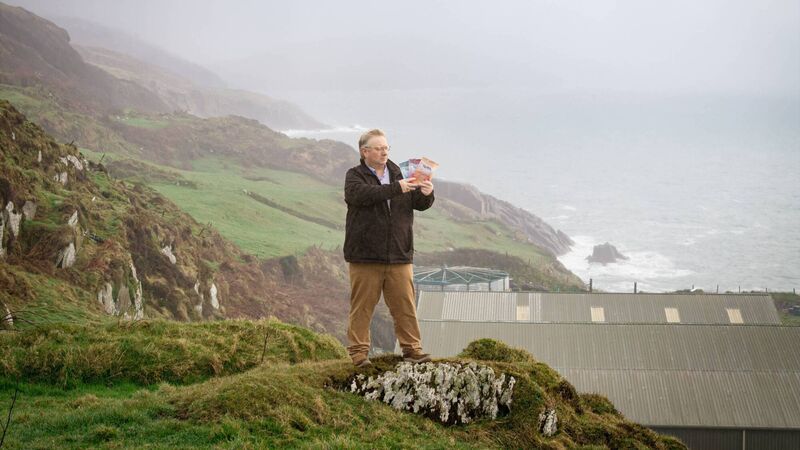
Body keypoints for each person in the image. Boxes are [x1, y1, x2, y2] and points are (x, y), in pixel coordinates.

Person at [343, 128, 434, 367]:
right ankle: (358, 354)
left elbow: (418, 203)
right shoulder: (354, 176)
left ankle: (412, 350)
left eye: (386, 148)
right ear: (365, 152)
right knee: (362, 307)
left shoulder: (400, 173)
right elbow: (361, 195)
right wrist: (397, 188)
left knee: (405, 306)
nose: (384, 152)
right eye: (379, 148)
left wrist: (427, 194)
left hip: (399, 254)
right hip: (365, 256)